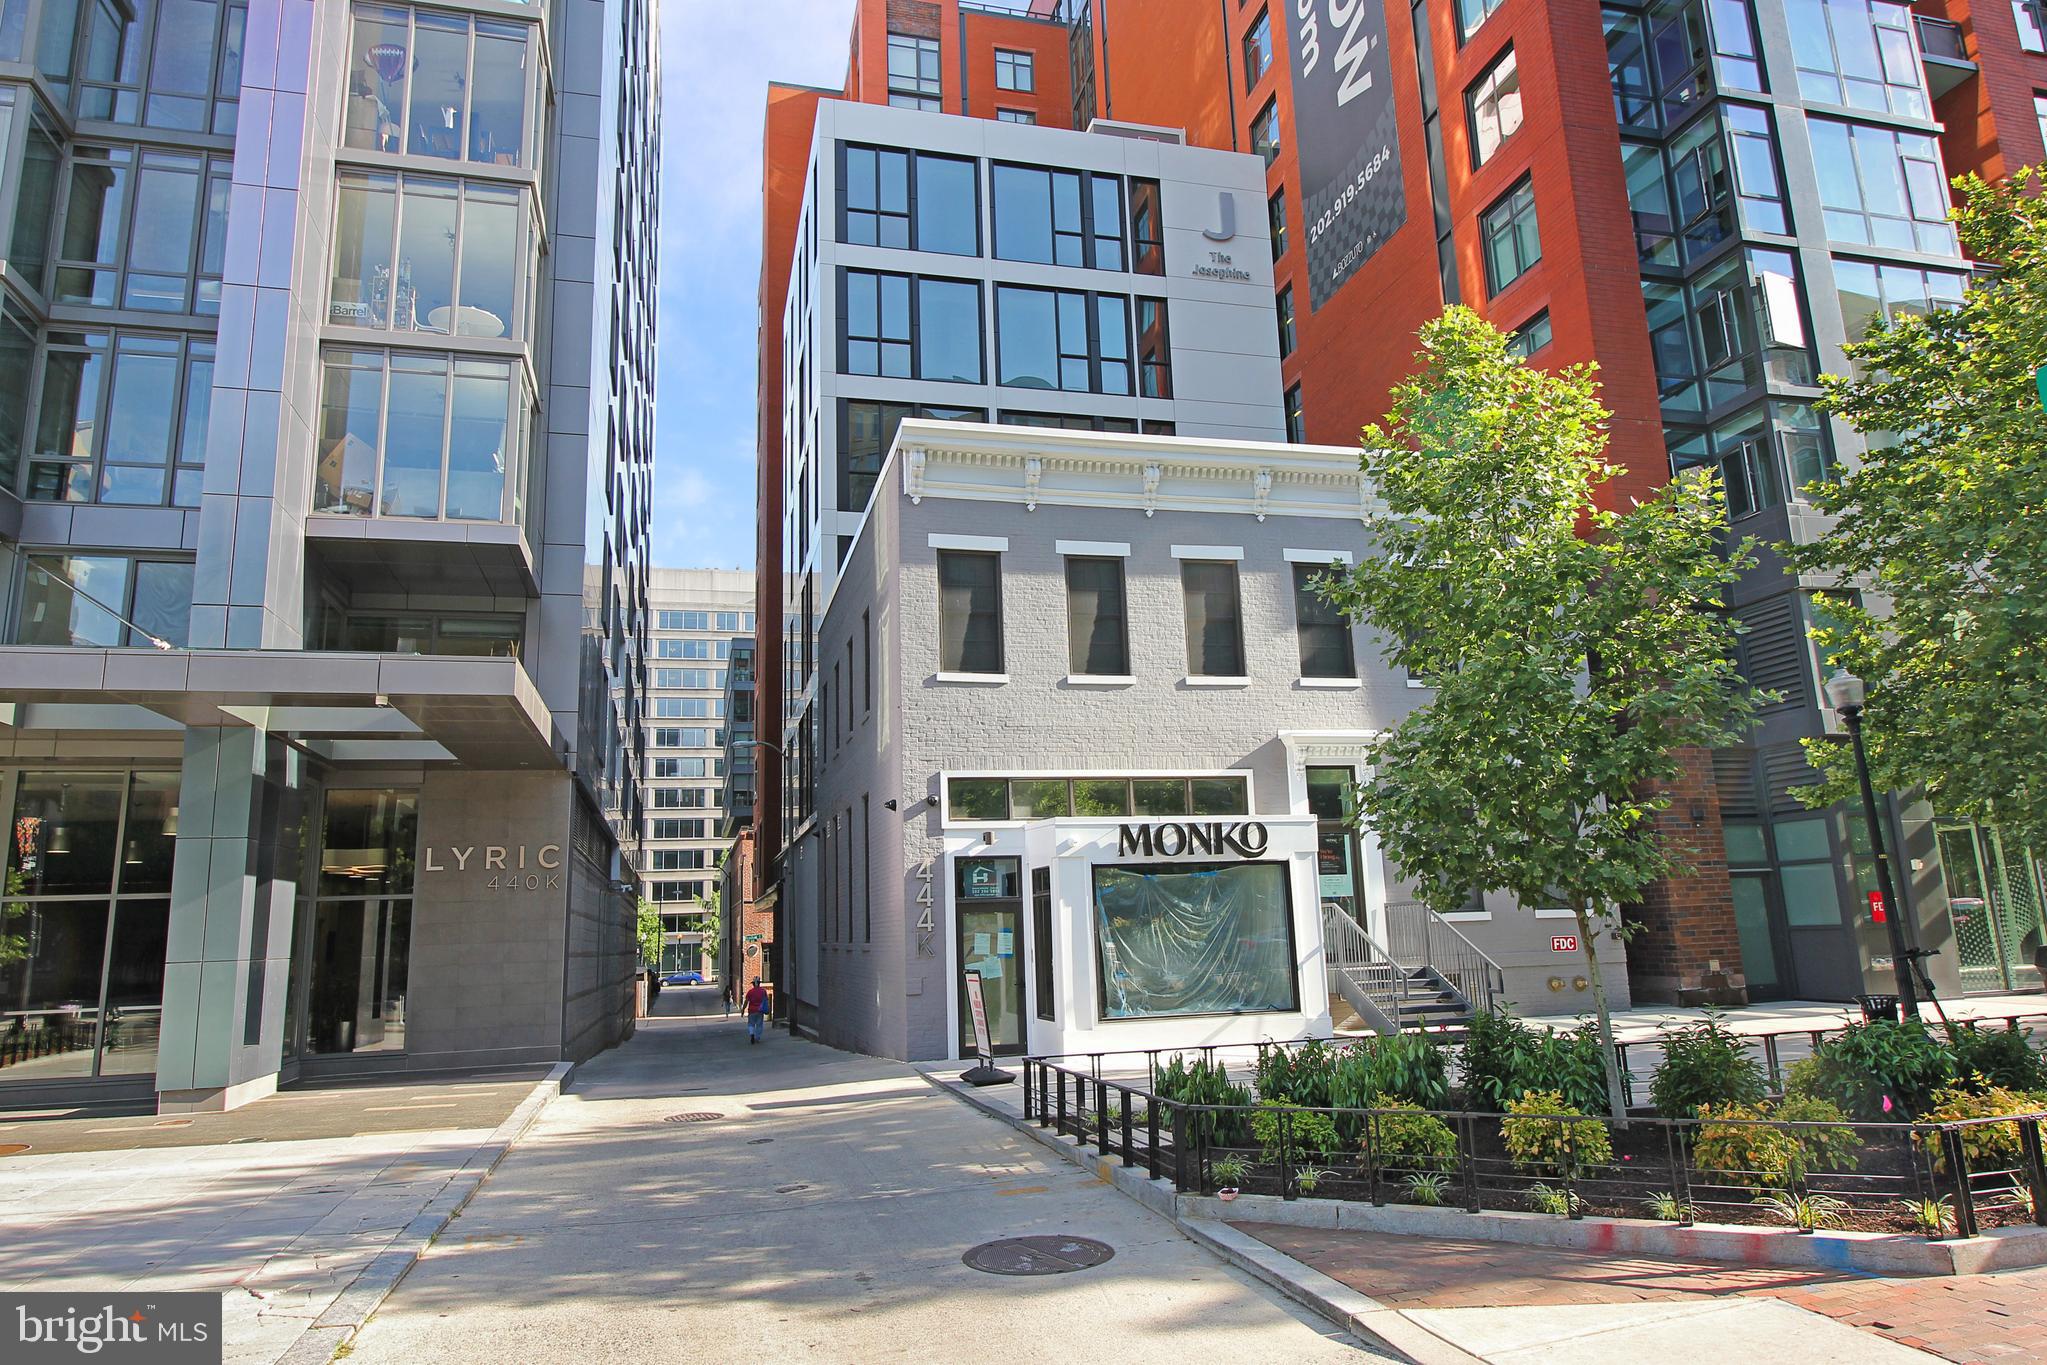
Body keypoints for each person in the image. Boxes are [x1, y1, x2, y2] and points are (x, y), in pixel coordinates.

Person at [744, 979, 768, 1044]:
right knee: (759, 1025)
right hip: (760, 1010)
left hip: (751, 1010)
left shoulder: (750, 992)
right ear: (759, 984)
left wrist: (743, 1009)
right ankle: (757, 1038)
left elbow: (746, 1001)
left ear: (753, 984)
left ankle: (752, 1034)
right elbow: (766, 1000)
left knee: (751, 1024)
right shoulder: (763, 991)